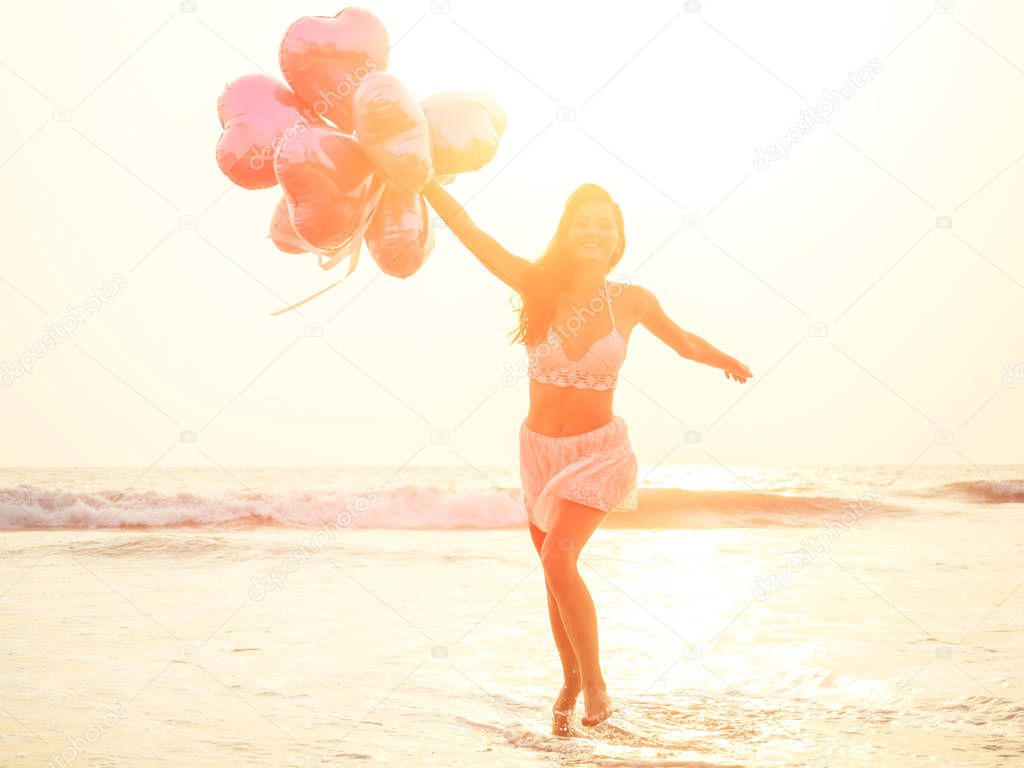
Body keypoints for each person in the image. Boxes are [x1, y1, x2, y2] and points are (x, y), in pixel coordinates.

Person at [422, 179, 753, 734]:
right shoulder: (536, 284)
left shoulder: (633, 300)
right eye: (583, 223)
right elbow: (471, 233)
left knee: (558, 561)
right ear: (566, 232)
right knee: (554, 573)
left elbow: (685, 342)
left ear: (619, 237)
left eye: (605, 224)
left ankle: (594, 683)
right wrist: (424, 181)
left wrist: (726, 359)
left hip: (600, 454)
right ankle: (570, 682)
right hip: (540, 454)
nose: (594, 232)